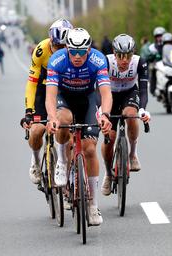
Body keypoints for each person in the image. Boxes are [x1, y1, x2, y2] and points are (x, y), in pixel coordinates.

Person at [45, 28, 112, 225]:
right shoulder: (57, 60)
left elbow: (106, 93)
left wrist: (106, 115)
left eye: (82, 52)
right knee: (63, 120)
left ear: (89, 50)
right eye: (72, 51)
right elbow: (50, 95)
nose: (76, 56)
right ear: (66, 48)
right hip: (64, 98)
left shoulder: (98, 60)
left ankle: (92, 205)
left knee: (90, 148)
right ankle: (63, 162)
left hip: (87, 99)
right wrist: (51, 117)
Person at [20, 19, 73, 184]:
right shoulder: (40, 50)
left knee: (68, 134)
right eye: (56, 46)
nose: (59, 51)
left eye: (63, 47)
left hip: (63, 90)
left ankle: (69, 183)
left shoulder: (76, 51)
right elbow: (32, 83)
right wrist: (29, 111)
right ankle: (36, 161)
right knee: (36, 131)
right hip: (43, 90)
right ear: (51, 41)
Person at [100, 34, 150, 196]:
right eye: (120, 56)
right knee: (110, 139)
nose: (124, 60)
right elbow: (96, 90)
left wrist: (142, 109)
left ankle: (132, 153)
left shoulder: (139, 62)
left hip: (129, 93)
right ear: (114, 54)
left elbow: (143, 89)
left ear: (132, 53)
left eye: (127, 55)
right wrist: (100, 110)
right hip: (110, 97)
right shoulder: (105, 62)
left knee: (131, 114)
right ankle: (108, 173)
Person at [148, 26, 166, 95]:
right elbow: (149, 57)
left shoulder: (168, 45)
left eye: (161, 36)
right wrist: (153, 56)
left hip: (168, 64)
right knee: (153, 70)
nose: (159, 38)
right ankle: (153, 88)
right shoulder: (152, 47)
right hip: (158, 65)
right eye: (158, 36)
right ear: (155, 37)